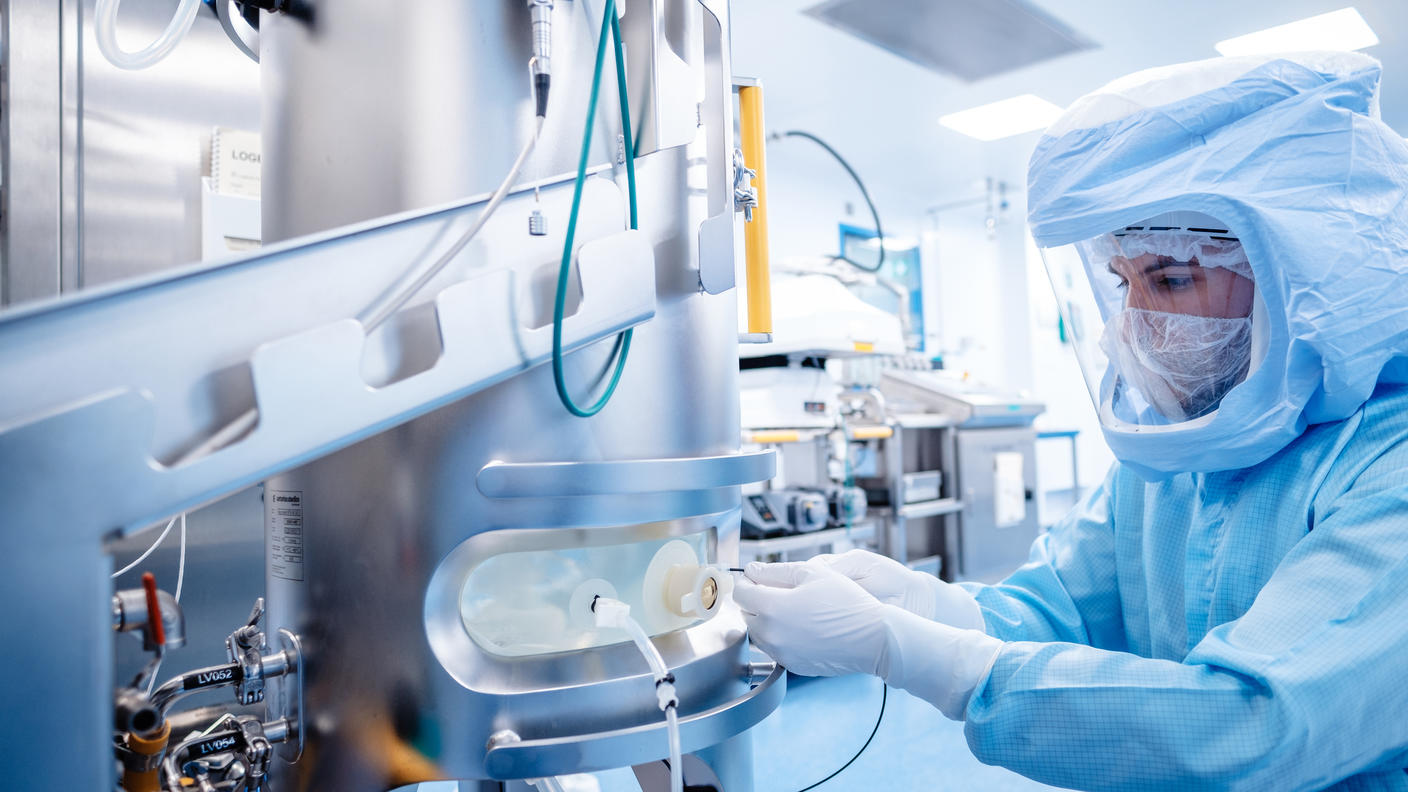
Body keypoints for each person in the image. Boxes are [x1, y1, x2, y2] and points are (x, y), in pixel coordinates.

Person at [735, 51, 1408, 791]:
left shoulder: (1388, 465)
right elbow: (1063, 607)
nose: (1134, 323)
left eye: (1172, 277)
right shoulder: (1181, 453)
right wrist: (922, 602)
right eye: (1123, 282)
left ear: (1309, 269)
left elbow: (1252, 725)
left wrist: (921, 654)